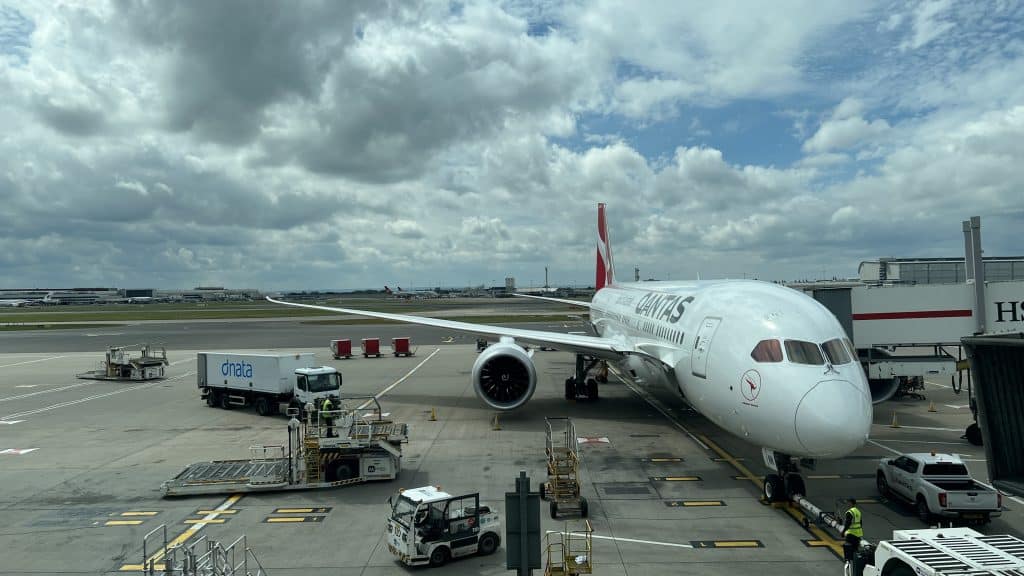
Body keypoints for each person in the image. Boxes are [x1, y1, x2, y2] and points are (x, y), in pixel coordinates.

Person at [842, 498, 863, 569]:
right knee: (855, 549)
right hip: (858, 533)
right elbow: (861, 523)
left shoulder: (850, 512)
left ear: (851, 503)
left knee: (847, 548)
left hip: (851, 533)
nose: (847, 504)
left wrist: (843, 531)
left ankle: (848, 563)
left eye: (848, 502)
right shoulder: (858, 511)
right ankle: (856, 565)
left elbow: (847, 524)